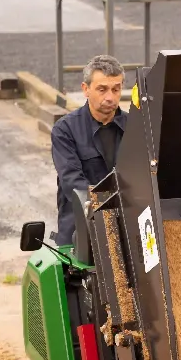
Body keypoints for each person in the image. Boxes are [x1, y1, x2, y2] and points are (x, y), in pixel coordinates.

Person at [50, 54, 127, 245]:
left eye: (116, 89)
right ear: (85, 89)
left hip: (127, 227)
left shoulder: (135, 126)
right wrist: (106, 208)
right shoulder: (65, 130)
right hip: (80, 231)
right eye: (102, 89)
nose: (110, 97)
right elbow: (72, 182)